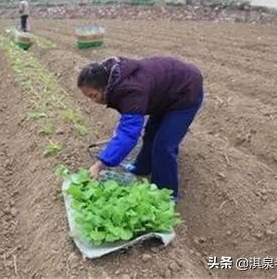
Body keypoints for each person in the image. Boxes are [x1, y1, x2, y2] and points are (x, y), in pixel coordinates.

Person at [77, 56, 203, 200]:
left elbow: (129, 133)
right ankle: (142, 167)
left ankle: (165, 196)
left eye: (93, 95)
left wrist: (99, 165)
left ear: (104, 87)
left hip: (186, 92)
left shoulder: (131, 91)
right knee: (150, 134)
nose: (94, 101)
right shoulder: (112, 77)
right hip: (165, 94)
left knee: (164, 146)